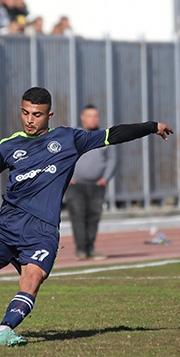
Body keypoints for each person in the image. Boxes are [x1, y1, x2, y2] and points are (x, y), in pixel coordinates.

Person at [0, 87, 173, 346]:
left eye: (37, 115)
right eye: (25, 113)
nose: (30, 120)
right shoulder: (8, 146)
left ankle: (4, 330)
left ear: (49, 115)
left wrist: (151, 126)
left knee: (32, 279)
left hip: (42, 229)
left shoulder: (69, 139)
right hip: (7, 224)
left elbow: (113, 135)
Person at [66, 105, 116, 260]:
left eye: (96, 116)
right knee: (78, 216)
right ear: (82, 117)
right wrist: (67, 176)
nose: (93, 119)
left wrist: (105, 178)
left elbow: (112, 159)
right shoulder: (74, 136)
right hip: (76, 185)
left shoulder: (104, 136)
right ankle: (81, 249)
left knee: (94, 217)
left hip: (97, 185)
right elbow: (63, 157)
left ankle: (90, 248)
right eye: (90, 116)